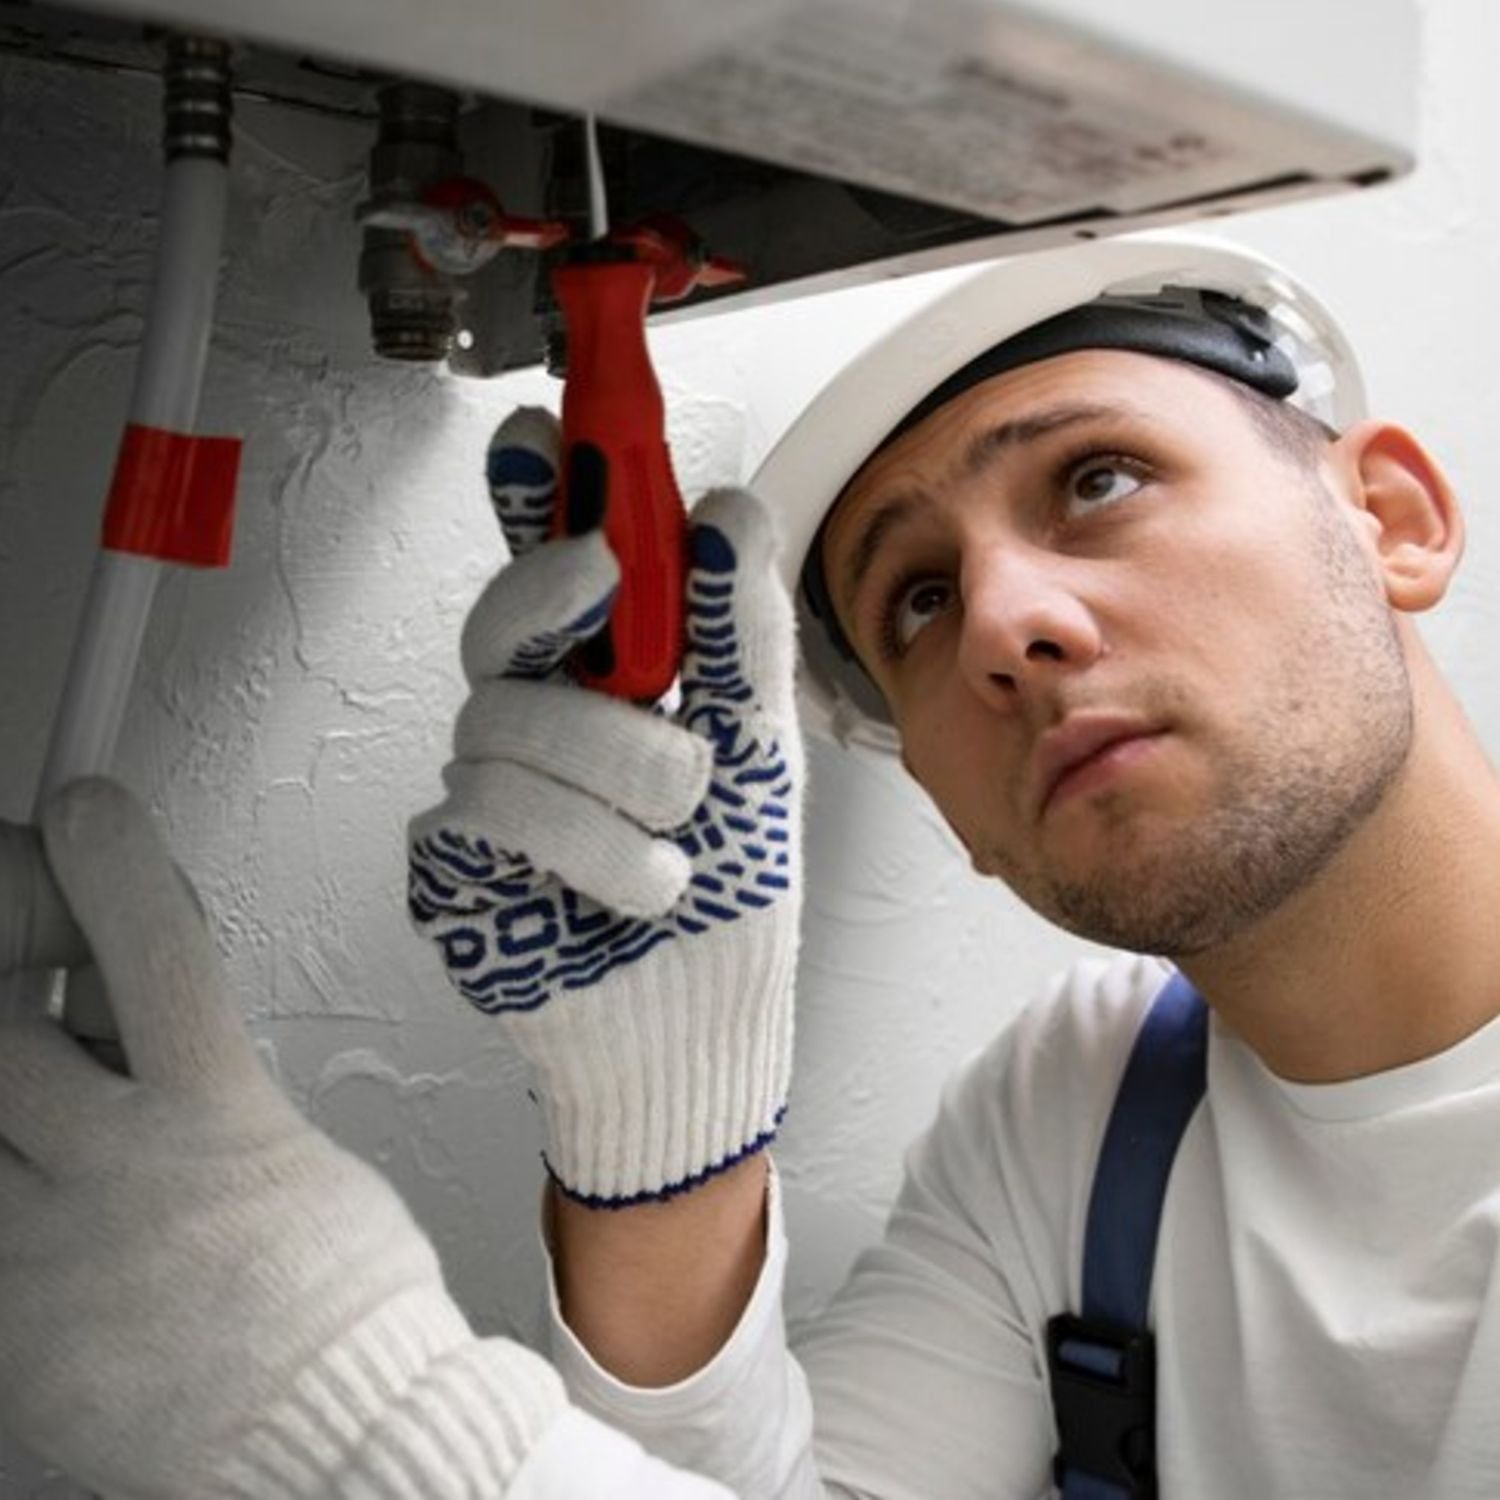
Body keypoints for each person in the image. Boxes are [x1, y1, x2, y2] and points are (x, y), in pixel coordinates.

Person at [1, 226, 1495, 1497]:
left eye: (1098, 479)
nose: (1000, 624)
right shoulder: (1085, 1114)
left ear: (1394, 520)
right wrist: (664, 1154)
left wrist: (354, 1414)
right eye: (918, 602)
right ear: (948, 807)